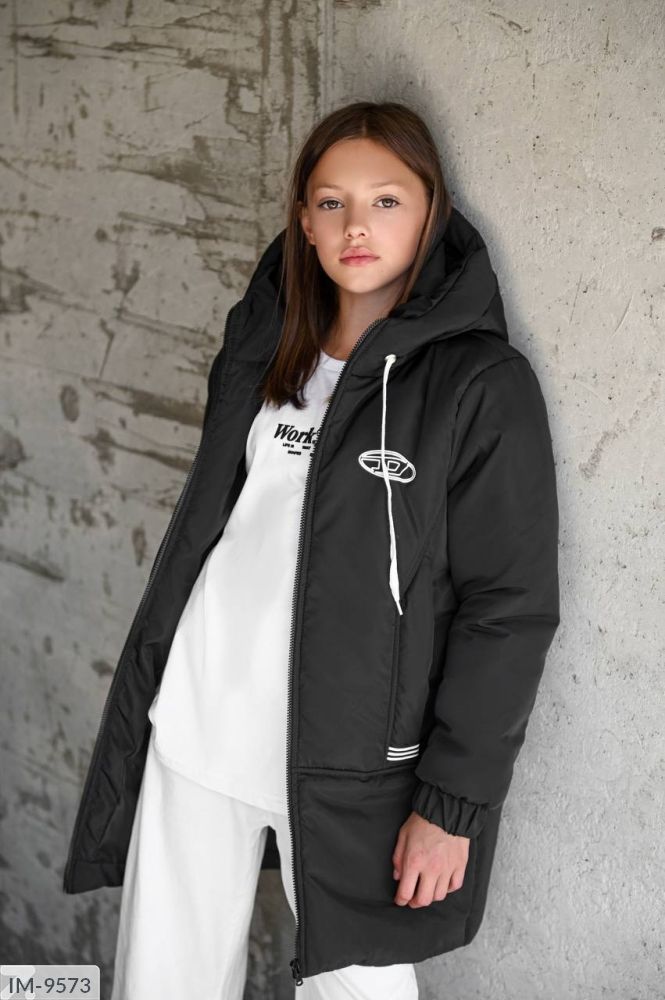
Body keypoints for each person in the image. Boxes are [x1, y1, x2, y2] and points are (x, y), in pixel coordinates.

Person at [63, 101, 560, 1000]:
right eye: (331, 203)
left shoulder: (479, 385)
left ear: (431, 210)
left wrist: (452, 804)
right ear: (303, 220)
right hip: (196, 726)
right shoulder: (266, 346)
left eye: (385, 201)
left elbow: (508, 609)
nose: (355, 226)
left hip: (351, 767)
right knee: (160, 984)